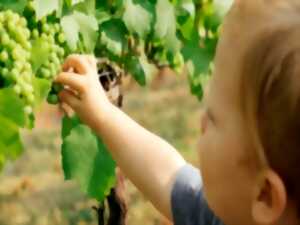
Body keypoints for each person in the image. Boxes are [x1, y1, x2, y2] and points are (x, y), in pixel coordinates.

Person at [56, 0, 300, 224]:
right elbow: (166, 174)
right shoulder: (230, 212)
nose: (202, 120)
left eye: (213, 118)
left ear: (266, 196)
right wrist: (102, 114)